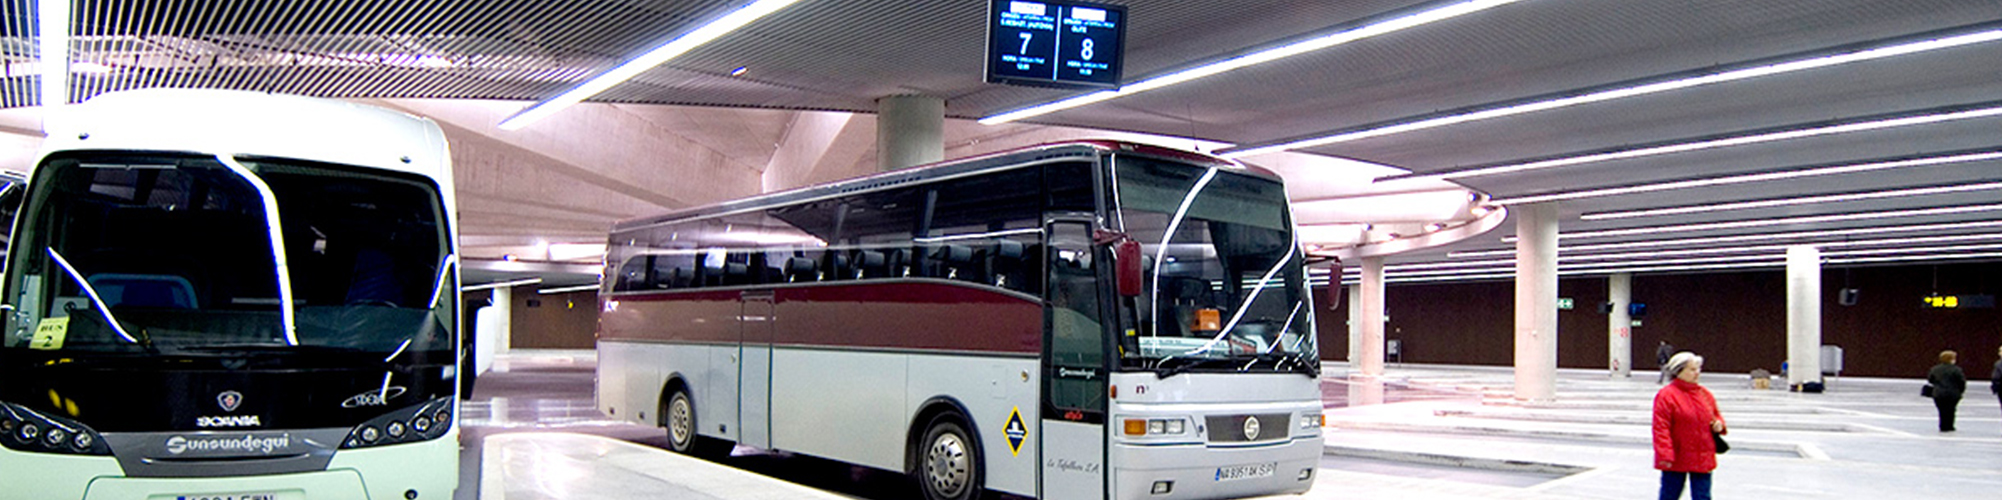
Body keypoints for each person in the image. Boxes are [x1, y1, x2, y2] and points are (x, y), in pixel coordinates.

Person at [1654, 351, 1725, 500]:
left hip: (1703, 454)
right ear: (1678, 371)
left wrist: (1719, 424)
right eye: (1692, 369)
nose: (1697, 373)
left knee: (1703, 496)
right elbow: (1661, 428)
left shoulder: (1704, 393)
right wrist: (1665, 455)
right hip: (1677, 455)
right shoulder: (1666, 395)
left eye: (1698, 369)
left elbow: (1716, 414)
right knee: (1670, 494)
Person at [1928, 350, 1966, 432]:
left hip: (1939, 393)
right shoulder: (1956, 370)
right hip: (1953, 393)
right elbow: (1961, 381)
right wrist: (1961, 391)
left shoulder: (1935, 369)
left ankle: (1942, 425)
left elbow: (1930, 380)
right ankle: (1950, 425)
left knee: (1942, 410)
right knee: (1951, 409)